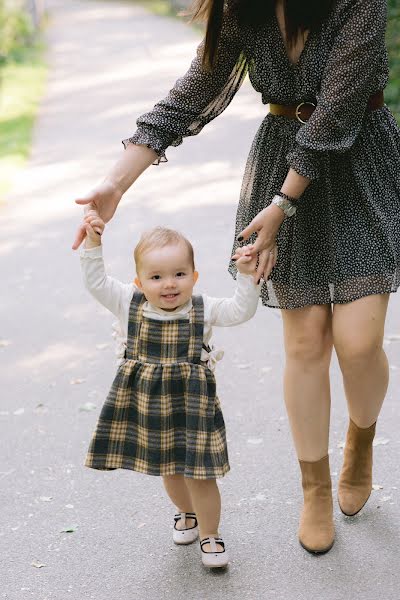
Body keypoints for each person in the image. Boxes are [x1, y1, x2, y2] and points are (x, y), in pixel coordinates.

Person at [72, 0, 400, 554]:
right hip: (280, 170)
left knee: (359, 342)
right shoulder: (241, 8)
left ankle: (360, 443)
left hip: (356, 165)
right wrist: (115, 184)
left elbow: (337, 110)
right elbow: (193, 93)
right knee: (304, 341)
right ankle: (314, 487)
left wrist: (282, 204)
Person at [79, 212, 265, 568]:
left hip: (193, 405)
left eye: (180, 274)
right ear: (139, 282)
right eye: (156, 277)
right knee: (170, 467)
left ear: (194, 277)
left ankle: (211, 535)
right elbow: (96, 282)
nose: (169, 284)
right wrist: (93, 244)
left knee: (202, 472)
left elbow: (241, 311)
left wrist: (246, 277)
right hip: (150, 407)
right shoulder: (128, 303)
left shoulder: (202, 309)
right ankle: (185, 512)